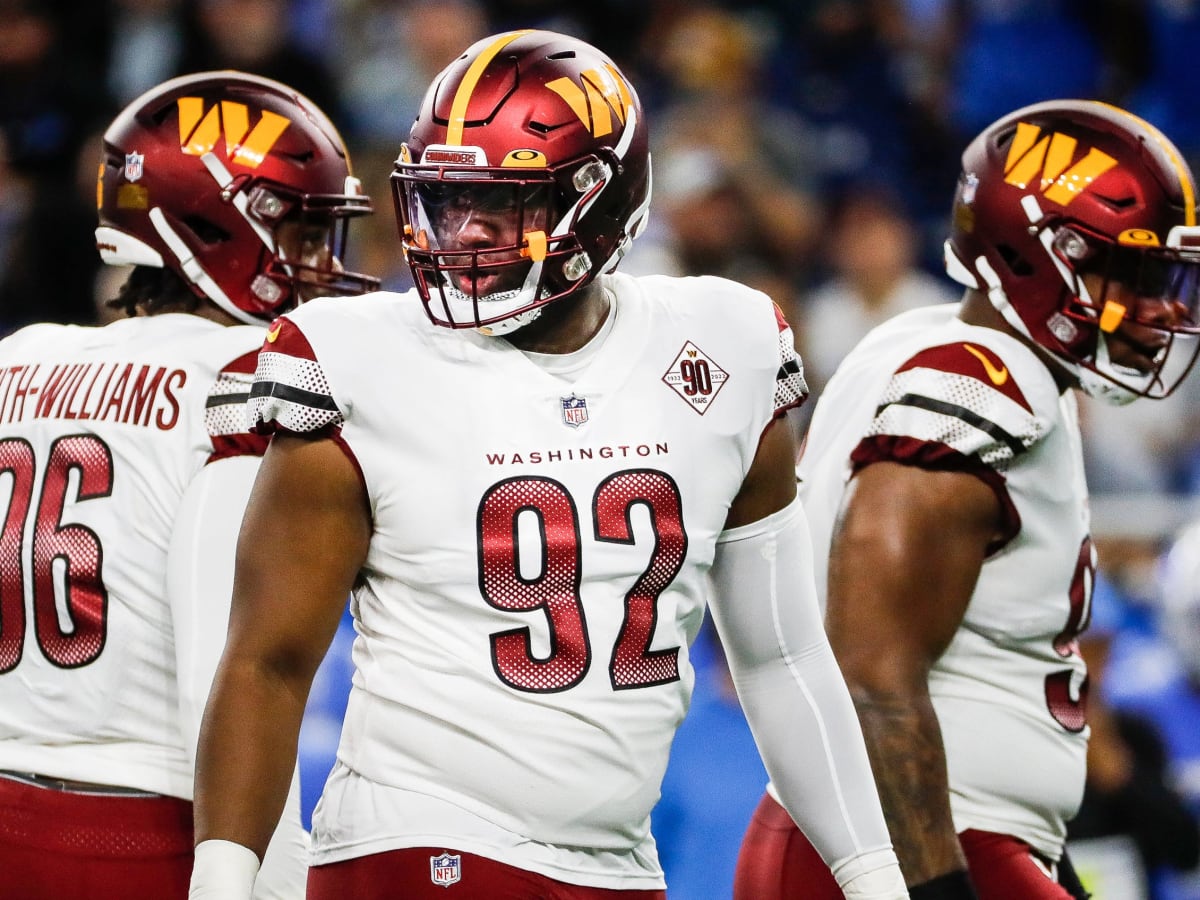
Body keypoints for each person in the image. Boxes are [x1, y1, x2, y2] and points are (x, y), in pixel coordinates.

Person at [187, 29, 909, 900]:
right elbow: (267, 661)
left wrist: (873, 876)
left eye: (501, 204)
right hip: (416, 843)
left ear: (600, 204)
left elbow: (781, 657)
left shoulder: (728, 346)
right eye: (448, 202)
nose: (463, 234)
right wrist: (220, 886)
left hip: (618, 864)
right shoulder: (360, 358)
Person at [733, 98, 1200, 900]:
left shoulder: (926, 343)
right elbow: (872, 674)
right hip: (910, 848)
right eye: (1131, 273)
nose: (1160, 309)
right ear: (1041, 256)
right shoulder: (981, 390)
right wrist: (940, 888)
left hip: (931, 840)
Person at [0, 70, 377, 898]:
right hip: (151, 824)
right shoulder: (248, 377)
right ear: (218, 228)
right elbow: (236, 672)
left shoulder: (17, 359)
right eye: (302, 233)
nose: (319, 265)